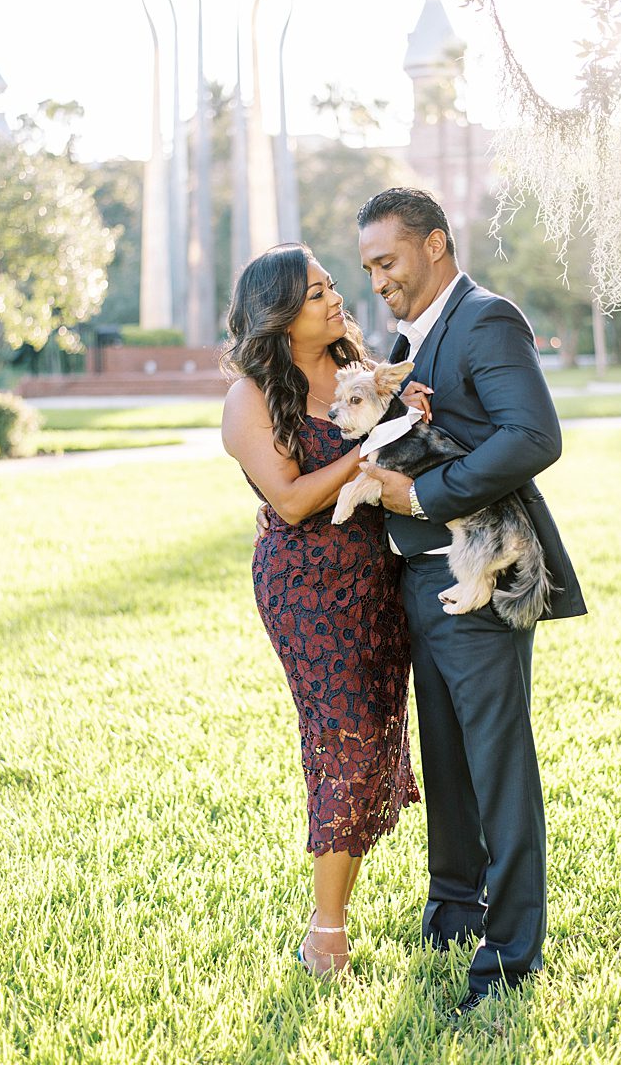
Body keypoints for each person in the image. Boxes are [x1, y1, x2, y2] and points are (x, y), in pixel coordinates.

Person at [354, 187, 586, 1019]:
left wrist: (419, 501)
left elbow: (533, 437)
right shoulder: (409, 337)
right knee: (447, 763)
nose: (378, 281)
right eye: (369, 267)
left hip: (481, 577)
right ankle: (453, 917)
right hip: (420, 580)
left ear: (436, 245)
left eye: (388, 261)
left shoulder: (485, 320)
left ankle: (511, 958)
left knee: (497, 769)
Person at [219, 242, 420, 979]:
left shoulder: (353, 365)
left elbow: (407, 440)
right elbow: (296, 499)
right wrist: (374, 453)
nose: (335, 299)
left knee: (373, 732)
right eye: (314, 295)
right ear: (278, 316)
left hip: (380, 575)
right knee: (346, 737)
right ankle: (326, 930)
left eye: (331, 286)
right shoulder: (248, 397)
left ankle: (338, 910)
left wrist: (411, 419)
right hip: (305, 586)